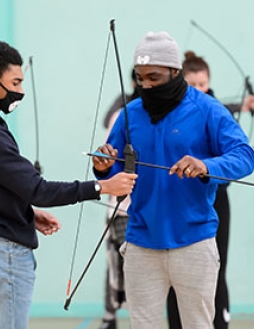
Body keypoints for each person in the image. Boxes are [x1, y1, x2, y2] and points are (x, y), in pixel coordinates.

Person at [0, 40, 137, 329]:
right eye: (15, 82)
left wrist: (28, 214)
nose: (20, 90)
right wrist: (103, 187)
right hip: (1, 252)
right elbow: (39, 189)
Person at [92, 31, 254, 329]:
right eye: (140, 78)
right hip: (141, 242)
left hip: (194, 242)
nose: (146, 85)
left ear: (174, 71)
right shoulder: (130, 115)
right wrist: (103, 167)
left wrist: (206, 165)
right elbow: (115, 169)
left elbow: (245, 156)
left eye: (153, 77)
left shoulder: (208, 109)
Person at [166, 51, 254, 329]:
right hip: (180, 202)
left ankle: (219, 323)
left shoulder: (216, 110)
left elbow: (238, 154)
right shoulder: (170, 112)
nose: (198, 91)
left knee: (215, 268)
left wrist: (207, 167)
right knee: (174, 271)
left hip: (214, 201)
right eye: (191, 84)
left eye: (203, 84)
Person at [99, 70, 139, 329]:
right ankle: (109, 316)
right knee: (120, 263)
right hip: (123, 209)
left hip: (152, 211)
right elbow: (107, 161)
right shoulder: (122, 114)